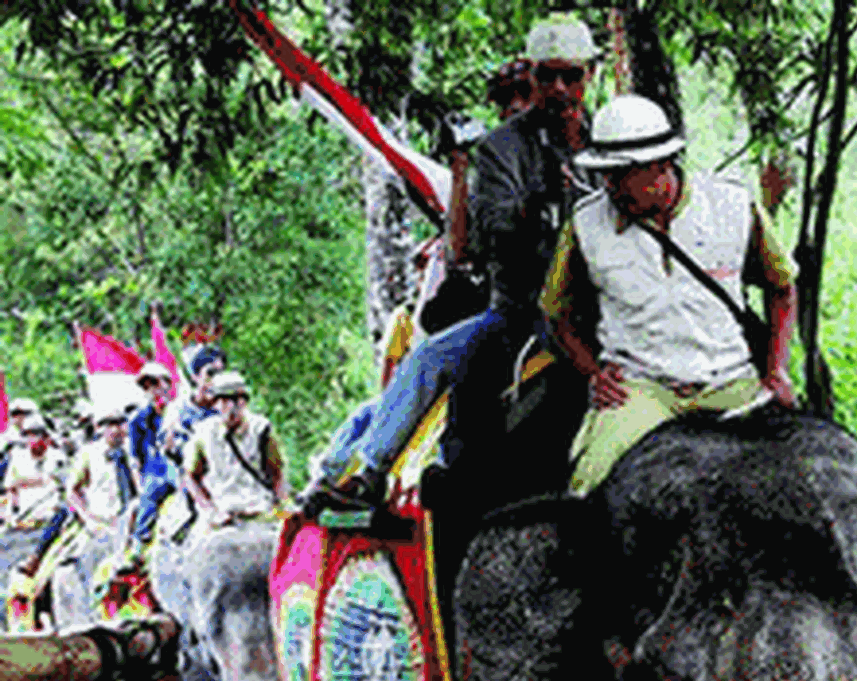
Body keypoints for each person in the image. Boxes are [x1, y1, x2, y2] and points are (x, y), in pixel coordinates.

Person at [300, 13, 600, 513]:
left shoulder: (610, 138)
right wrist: (539, 198)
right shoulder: (500, 151)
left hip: (610, 297)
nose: (557, 89)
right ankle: (372, 473)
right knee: (431, 360)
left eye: (571, 76)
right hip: (524, 310)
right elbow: (476, 243)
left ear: (589, 76)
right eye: (545, 78)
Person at [542, 95, 800, 498]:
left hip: (729, 380)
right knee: (588, 487)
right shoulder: (586, 224)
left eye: (622, 173)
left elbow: (782, 287)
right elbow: (556, 312)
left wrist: (776, 372)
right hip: (641, 387)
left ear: (662, 164)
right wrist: (593, 371)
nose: (610, 184)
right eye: (605, 172)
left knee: (796, 483)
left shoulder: (733, 205)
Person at [20, 404, 139, 576]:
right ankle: (36, 560)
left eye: (119, 423)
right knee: (64, 516)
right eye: (109, 424)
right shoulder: (89, 453)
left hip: (132, 519)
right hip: (100, 520)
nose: (115, 429)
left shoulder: (134, 449)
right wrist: (88, 519)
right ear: (100, 428)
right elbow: (72, 490)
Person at [181, 371, 289, 530]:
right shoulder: (203, 433)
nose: (231, 407)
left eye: (236, 400)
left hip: (258, 510)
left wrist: (280, 506)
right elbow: (191, 476)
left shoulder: (261, 429)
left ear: (244, 402)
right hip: (222, 512)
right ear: (216, 404)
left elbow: (277, 473)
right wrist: (210, 509)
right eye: (224, 400)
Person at [128, 362, 175, 547]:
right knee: (150, 494)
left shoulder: (181, 412)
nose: (153, 389)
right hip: (156, 473)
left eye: (156, 383)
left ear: (167, 385)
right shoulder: (139, 419)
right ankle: (139, 545)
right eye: (147, 386)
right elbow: (135, 457)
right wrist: (139, 484)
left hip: (185, 468)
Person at [3, 414, 68, 538]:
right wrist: (11, 514)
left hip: (49, 521)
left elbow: (59, 484)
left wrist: (22, 482)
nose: (31, 439)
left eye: (36, 434)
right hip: (24, 521)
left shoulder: (57, 457)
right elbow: (10, 488)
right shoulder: (18, 457)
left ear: (46, 437)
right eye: (28, 435)